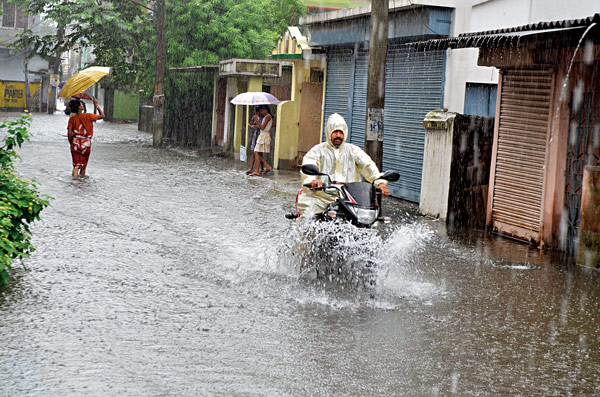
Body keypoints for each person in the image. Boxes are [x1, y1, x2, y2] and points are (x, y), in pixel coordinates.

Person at [297, 113, 390, 217]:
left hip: (351, 200)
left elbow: (368, 166)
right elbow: (309, 164)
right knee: (308, 216)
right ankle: (302, 233)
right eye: (335, 132)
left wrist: (380, 182)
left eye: (341, 132)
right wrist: (313, 181)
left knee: (372, 220)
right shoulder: (317, 151)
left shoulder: (353, 151)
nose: (338, 135)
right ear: (328, 132)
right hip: (321, 198)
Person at [66, 97, 105, 178]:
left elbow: (69, 133)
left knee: (76, 165)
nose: (82, 105)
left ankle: (74, 182)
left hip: (75, 142)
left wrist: (71, 143)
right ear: (79, 107)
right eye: (81, 104)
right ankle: (81, 183)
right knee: (83, 165)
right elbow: (102, 116)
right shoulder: (89, 116)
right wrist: (96, 105)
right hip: (86, 143)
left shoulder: (72, 119)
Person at [248, 105, 273, 176]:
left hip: (264, 136)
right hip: (262, 135)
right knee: (257, 152)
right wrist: (255, 126)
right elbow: (262, 127)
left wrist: (257, 120)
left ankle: (261, 169)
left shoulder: (268, 116)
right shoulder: (266, 116)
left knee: (256, 152)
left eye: (262, 110)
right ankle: (261, 168)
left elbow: (262, 127)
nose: (261, 112)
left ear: (266, 109)